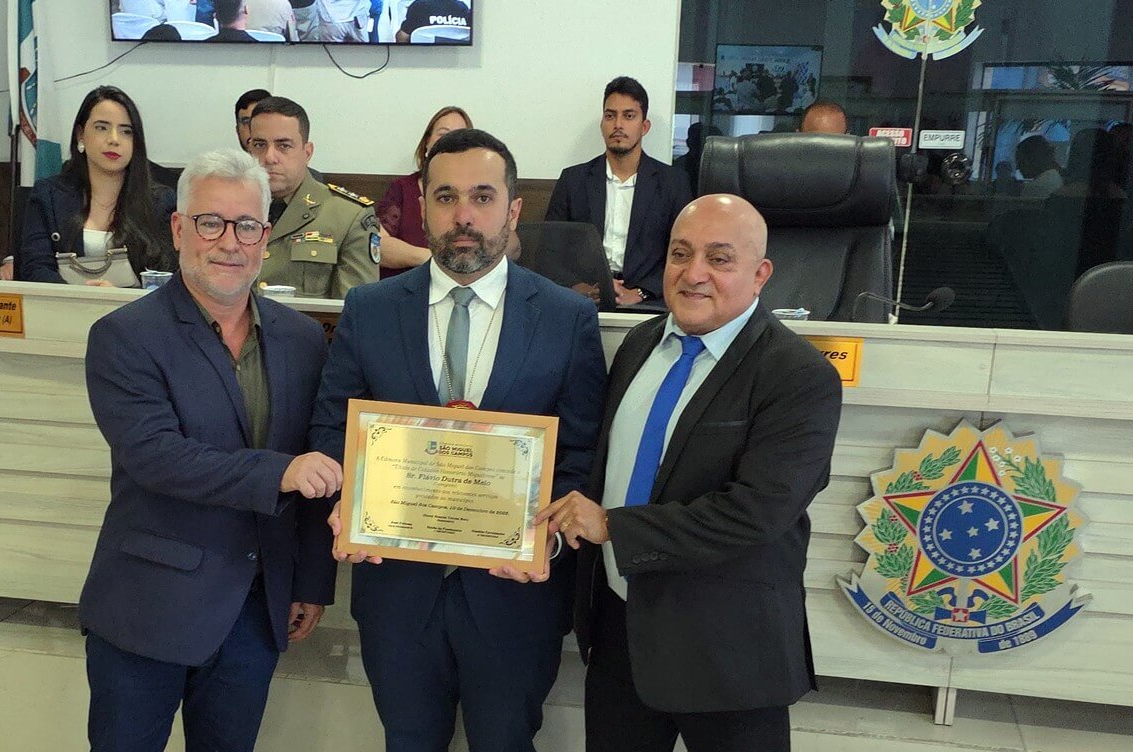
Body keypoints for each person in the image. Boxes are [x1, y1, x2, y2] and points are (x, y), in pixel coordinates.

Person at [310, 128, 606, 751]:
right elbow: (334, 428)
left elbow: (581, 453)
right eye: (445, 197)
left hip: (513, 600)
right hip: (397, 595)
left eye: (482, 196)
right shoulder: (370, 308)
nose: (463, 215)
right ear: (423, 206)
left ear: (513, 209)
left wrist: (548, 536)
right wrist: (345, 504)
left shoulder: (567, 317)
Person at [535, 194, 843, 752]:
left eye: (719, 259)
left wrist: (614, 527)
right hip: (622, 634)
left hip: (728, 652)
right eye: (680, 253)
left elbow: (757, 512)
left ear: (760, 274)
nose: (693, 273)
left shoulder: (798, 375)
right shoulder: (640, 344)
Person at [80, 148, 341, 751]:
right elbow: (157, 457)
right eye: (210, 222)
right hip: (147, 610)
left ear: (265, 237)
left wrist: (310, 580)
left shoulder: (303, 339)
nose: (229, 242)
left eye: (246, 225)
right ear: (179, 229)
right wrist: (282, 473)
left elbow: (319, 459)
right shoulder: (124, 337)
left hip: (254, 613)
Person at [546, 76, 693, 306]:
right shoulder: (573, 180)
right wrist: (581, 288)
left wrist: (641, 293)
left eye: (629, 116)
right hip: (583, 299)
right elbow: (551, 250)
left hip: (647, 301)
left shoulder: (673, 184)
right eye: (610, 115)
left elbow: (683, 253)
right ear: (602, 124)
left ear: (645, 126)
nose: (618, 125)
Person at [13, 86, 175, 284]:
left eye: (126, 131)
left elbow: (167, 277)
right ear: (80, 135)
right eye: (102, 128)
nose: (114, 140)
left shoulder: (161, 202)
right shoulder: (48, 195)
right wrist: (84, 296)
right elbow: (35, 268)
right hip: (63, 302)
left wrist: (117, 296)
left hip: (134, 304)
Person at [246, 96, 379, 297]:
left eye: (283, 146)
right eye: (259, 145)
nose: (269, 157)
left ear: (307, 153)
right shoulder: (230, 208)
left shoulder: (348, 216)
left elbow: (356, 308)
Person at [376, 105, 472, 278]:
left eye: (460, 135)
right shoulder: (403, 188)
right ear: (427, 143)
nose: (451, 141)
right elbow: (377, 245)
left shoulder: (480, 191)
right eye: (443, 134)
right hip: (406, 286)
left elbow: (511, 247)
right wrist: (434, 260)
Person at [395, 0, 471, 43]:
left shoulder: (419, 6)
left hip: (419, 58)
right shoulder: (463, 7)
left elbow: (402, 37)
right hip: (455, 58)